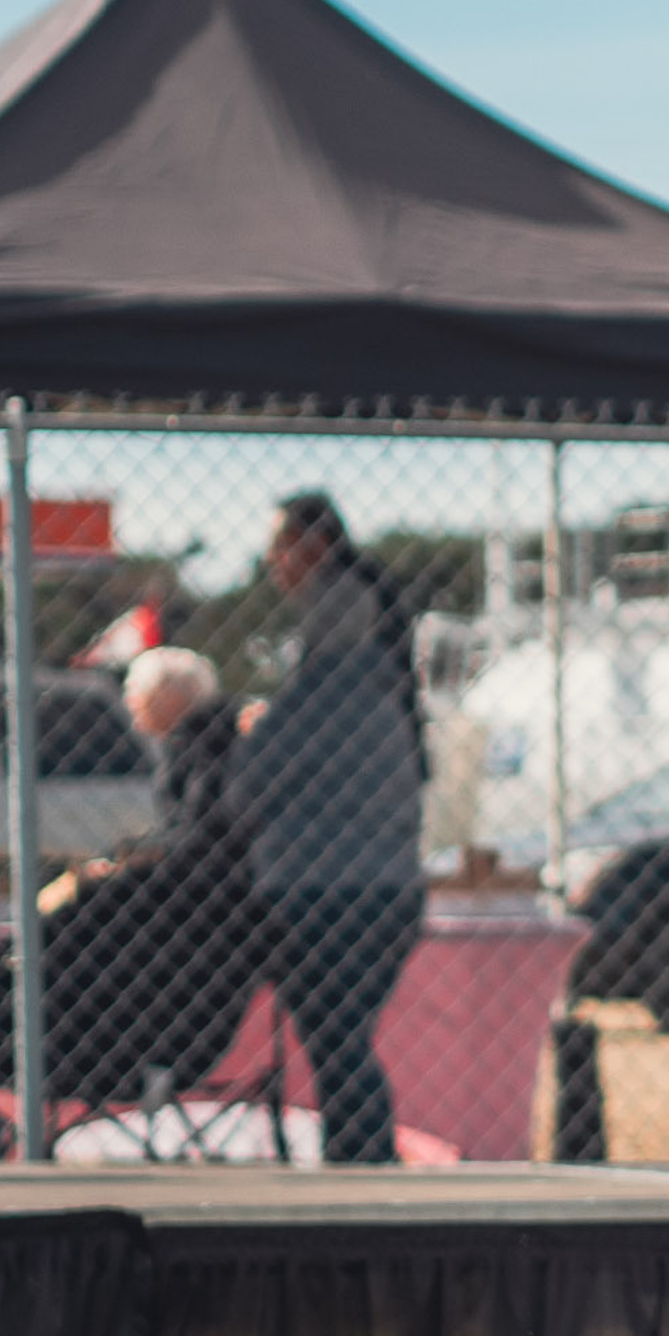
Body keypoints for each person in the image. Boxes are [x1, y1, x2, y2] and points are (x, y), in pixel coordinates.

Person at [0, 647, 282, 1116]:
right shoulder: (199, 752)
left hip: (160, 977)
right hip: (173, 937)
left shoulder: (211, 755)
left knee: (80, 921)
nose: (129, 701)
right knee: (74, 921)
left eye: (136, 692)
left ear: (169, 696)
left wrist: (133, 868)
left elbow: (201, 843)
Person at [235, 493, 426, 1163]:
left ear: (312, 549)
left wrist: (258, 734)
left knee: (339, 1046)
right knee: (345, 1043)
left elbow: (246, 789)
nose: (273, 566)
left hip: (318, 891)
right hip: (391, 889)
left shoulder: (319, 695)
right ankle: (363, 1166)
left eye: (279, 549)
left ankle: (367, 1169)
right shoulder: (389, 702)